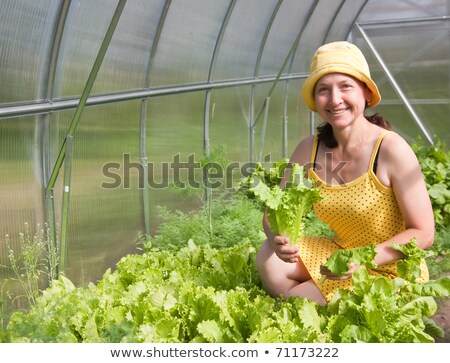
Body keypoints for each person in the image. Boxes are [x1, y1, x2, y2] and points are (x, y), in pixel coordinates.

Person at [255, 41, 435, 306]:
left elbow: (424, 233)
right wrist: (275, 237)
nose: (335, 99)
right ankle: (319, 297)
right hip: (341, 253)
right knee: (268, 257)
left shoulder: (390, 148)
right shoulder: (309, 149)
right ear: (316, 100)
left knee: (297, 302)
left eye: (345, 86)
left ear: (366, 92)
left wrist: (361, 259)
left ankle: (310, 298)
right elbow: (275, 210)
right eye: (324, 90)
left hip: (390, 268)